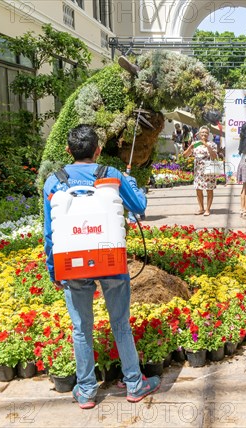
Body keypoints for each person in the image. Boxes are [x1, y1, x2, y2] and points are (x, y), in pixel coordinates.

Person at [43, 125, 160, 409]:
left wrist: (53, 269)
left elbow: (50, 232)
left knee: (81, 328)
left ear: (68, 151)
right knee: (120, 323)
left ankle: (85, 390)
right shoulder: (111, 174)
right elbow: (140, 205)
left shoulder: (53, 181)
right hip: (110, 261)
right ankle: (134, 384)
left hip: (72, 264)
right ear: (97, 150)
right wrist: (131, 183)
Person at [183, 126, 218, 216]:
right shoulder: (195, 143)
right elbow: (185, 155)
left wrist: (206, 145)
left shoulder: (212, 144)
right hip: (198, 170)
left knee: (209, 189)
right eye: (202, 132)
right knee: (198, 189)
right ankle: (201, 208)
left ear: (208, 134)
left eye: (206, 133)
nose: (204, 134)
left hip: (209, 169)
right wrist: (190, 146)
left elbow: (214, 156)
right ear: (199, 134)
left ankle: (208, 209)